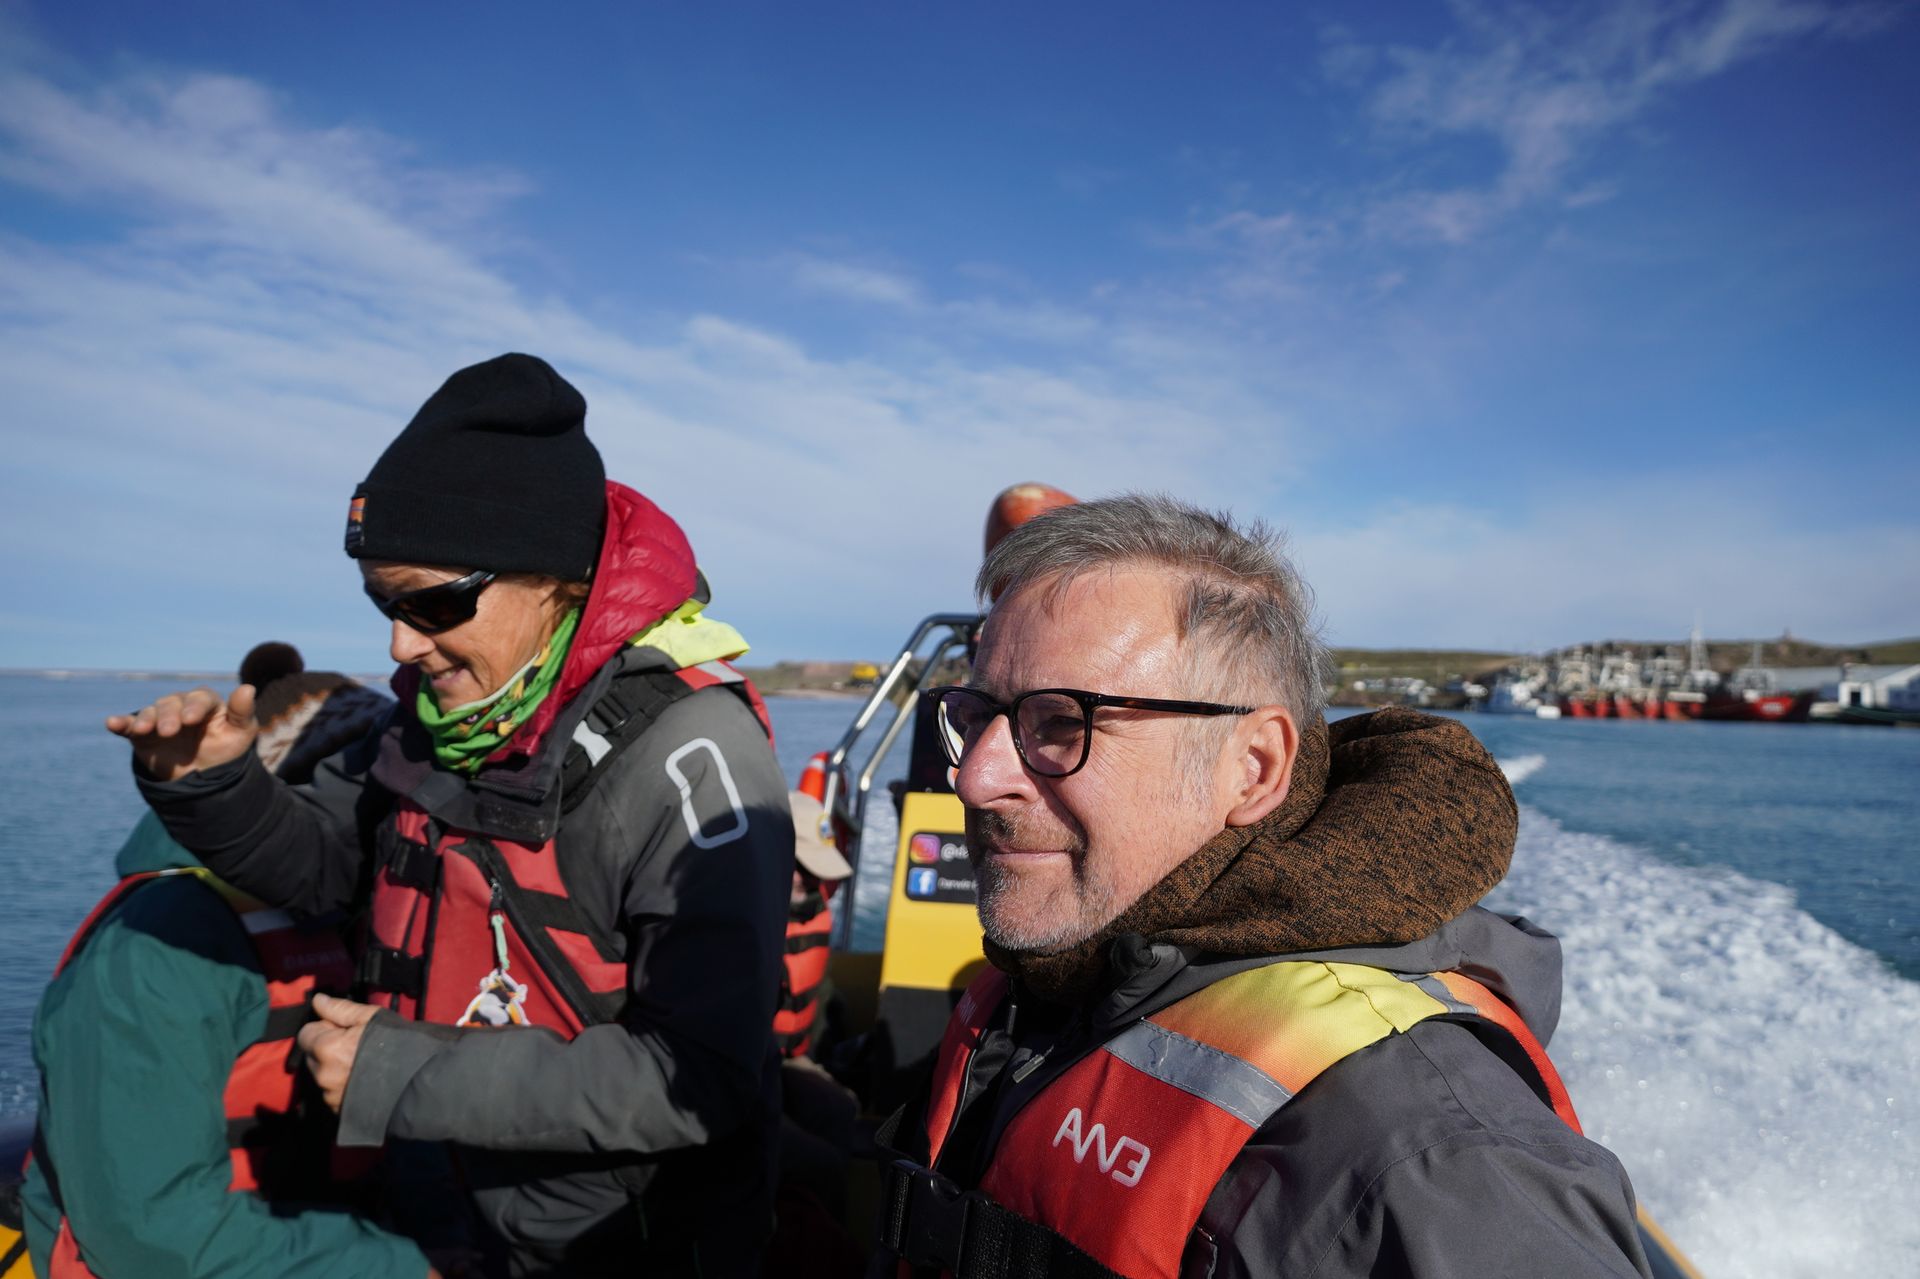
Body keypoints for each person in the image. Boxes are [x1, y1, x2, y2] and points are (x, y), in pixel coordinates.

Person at [109, 353, 793, 1277]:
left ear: (550, 575)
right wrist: (212, 785)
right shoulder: (434, 717)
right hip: (440, 1217)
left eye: (432, 602)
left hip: (610, 1251)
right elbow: (327, 868)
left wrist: (399, 1073)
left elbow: (697, 1076)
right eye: (384, 603)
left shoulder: (694, 758)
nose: (400, 643)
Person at [874, 494, 1652, 1278]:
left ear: (1252, 769)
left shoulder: (1428, 1158)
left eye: (1061, 722)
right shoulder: (1068, 968)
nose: (974, 778)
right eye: (975, 716)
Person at [21, 663, 426, 1278]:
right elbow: (152, 1236)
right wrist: (414, 1267)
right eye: (358, 798)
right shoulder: (162, 945)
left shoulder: (365, 922)